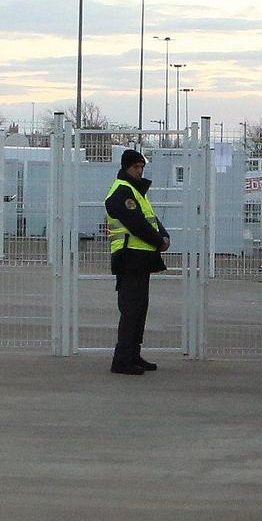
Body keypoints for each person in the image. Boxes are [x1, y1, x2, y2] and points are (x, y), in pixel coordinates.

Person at [104, 147, 169, 374]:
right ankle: (122, 360)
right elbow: (137, 224)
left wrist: (163, 234)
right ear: (126, 167)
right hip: (128, 255)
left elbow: (150, 219)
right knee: (131, 309)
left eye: (142, 167)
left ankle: (133, 353)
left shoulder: (135, 191)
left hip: (139, 256)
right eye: (136, 167)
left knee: (139, 308)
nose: (140, 171)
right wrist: (159, 240)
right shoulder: (122, 191)